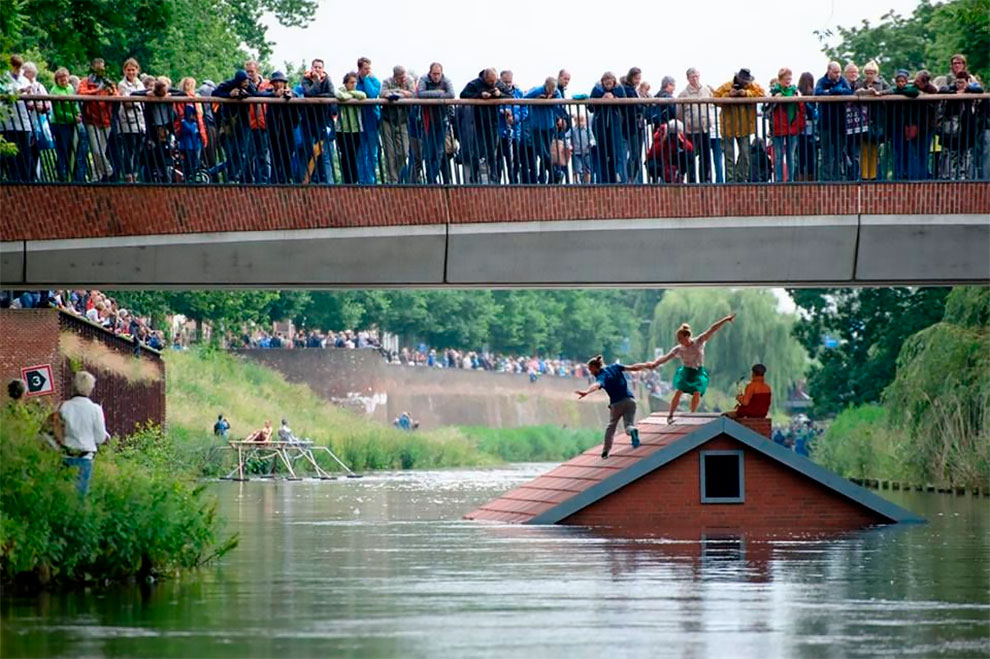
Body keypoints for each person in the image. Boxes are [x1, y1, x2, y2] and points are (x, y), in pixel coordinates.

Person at [652, 314, 736, 423]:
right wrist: (655, 363)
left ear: (687, 336)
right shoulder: (679, 349)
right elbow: (666, 357)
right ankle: (670, 415)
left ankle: (692, 414)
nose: (679, 341)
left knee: (697, 392)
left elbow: (712, 329)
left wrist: (726, 319)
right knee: (678, 392)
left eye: (681, 339)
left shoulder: (699, 341)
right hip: (686, 372)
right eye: (678, 339)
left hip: (698, 372)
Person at [575, 355, 655, 459]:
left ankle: (605, 451)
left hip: (617, 404)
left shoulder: (601, 376)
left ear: (595, 367)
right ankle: (632, 430)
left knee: (611, 426)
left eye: (591, 369)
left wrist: (587, 392)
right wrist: (647, 365)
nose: (590, 372)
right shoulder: (615, 366)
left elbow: (597, 385)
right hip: (630, 401)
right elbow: (634, 367)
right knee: (628, 425)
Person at [59, 371, 110, 495]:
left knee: (63, 495)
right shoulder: (95, 409)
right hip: (85, 458)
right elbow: (100, 438)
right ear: (90, 388)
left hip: (64, 457)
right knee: (80, 497)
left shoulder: (63, 406)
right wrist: (106, 437)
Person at [713, 69, 765, 183]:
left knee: (745, 155)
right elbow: (715, 98)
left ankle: (741, 177)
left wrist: (746, 93)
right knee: (729, 156)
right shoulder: (726, 86)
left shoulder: (752, 87)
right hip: (728, 127)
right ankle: (731, 179)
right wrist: (728, 95)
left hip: (745, 127)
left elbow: (762, 94)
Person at [460, 68, 508, 184]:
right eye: (491, 82)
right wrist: (479, 95)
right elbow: (463, 95)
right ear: (485, 78)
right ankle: (473, 176)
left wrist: (499, 94)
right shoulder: (475, 83)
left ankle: (494, 175)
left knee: (492, 150)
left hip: (494, 121)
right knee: (477, 150)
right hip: (479, 121)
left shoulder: (499, 84)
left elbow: (510, 96)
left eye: (494, 81)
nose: (493, 84)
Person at [77, 58, 118, 182]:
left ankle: (96, 177)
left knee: (100, 151)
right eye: (97, 66)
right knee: (96, 150)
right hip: (91, 119)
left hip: (105, 119)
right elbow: (81, 93)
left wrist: (110, 92)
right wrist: (97, 90)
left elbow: (116, 95)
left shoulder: (108, 81)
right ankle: (109, 171)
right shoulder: (86, 81)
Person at [938, 71, 984, 180]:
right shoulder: (952, 89)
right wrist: (955, 92)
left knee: (966, 152)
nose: (959, 85)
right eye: (958, 82)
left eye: (962, 82)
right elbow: (942, 90)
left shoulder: (971, 89)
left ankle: (964, 174)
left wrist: (966, 89)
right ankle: (951, 173)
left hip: (967, 125)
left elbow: (980, 90)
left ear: (967, 82)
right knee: (952, 151)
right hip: (953, 126)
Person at [416, 63, 455, 184]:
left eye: (438, 74)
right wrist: (439, 93)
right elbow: (420, 94)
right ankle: (430, 179)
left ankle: (431, 178)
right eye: (434, 74)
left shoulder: (446, 80)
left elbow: (452, 94)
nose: (436, 76)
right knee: (428, 152)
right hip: (427, 121)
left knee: (439, 152)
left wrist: (432, 95)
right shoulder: (423, 79)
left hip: (442, 121)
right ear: (430, 73)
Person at [814, 62, 853, 181]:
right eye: (835, 72)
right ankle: (826, 177)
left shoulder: (843, 80)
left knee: (839, 152)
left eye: (839, 72)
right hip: (825, 123)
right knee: (826, 153)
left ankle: (839, 176)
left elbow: (849, 92)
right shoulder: (821, 81)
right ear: (829, 71)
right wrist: (833, 91)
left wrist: (836, 91)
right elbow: (817, 92)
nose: (838, 75)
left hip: (840, 124)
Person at [300, 59, 335, 184]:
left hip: (323, 119)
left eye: (320, 67)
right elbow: (308, 93)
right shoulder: (305, 79)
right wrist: (315, 81)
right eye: (315, 67)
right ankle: (308, 179)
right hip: (308, 120)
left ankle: (324, 180)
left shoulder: (328, 79)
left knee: (322, 151)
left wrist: (317, 97)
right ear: (312, 68)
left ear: (323, 68)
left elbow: (331, 94)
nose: (317, 70)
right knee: (308, 150)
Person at [853, 61, 890, 181]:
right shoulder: (860, 83)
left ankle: (873, 176)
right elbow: (854, 93)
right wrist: (862, 92)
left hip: (877, 117)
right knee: (863, 148)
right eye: (868, 73)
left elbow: (891, 91)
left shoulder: (882, 82)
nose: (870, 75)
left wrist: (879, 93)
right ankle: (864, 176)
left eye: (872, 73)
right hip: (863, 118)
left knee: (874, 147)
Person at [677, 68, 714, 183]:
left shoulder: (707, 91)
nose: (695, 78)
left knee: (705, 156)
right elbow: (679, 113)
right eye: (693, 76)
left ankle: (705, 179)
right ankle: (692, 179)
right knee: (691, 157)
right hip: (690, 130)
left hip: (705, 128)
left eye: (697, 75)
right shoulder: (683, 94)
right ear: (688, 78)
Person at [589, 72, 627, 183]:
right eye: (606, 81)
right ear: (602, 82)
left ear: (614, 81)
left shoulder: (619, 89)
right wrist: (601, 99)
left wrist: (614, 98)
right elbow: (590, 107)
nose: (608, 83)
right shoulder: (596, 90)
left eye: (610, 81)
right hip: (600, 126)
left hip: (616, 126)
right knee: (602, 153)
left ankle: (619, 178)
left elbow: (625, 105)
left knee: (616, 153)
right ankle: (603, 180)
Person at [380, 65, 415, 184]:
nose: (403, 79)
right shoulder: (387, 81)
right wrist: (394, 93)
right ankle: (392, 180)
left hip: (403, 120)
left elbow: (413, 94)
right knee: (389, 152)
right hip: (387, 119)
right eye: (400, 77)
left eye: (404, 76)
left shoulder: (409, 80)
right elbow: (382, 93)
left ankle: (395, 173)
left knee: (404, 152)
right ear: (395, 77)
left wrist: (400, 92)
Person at [262, 71, 299, 184]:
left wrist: (290, 96)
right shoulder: (269, 93)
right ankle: (274, 180)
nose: (278, 84)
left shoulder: (292, 93)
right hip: (273, 131)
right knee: (274, 157)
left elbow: (297, 109)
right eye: (276, 82)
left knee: (287, 156)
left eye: (280, 81)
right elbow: (258, 94)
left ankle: (286, 180)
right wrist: (274, 95)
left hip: (287, 131)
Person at [768, 68, 804, 182]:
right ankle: (779, 180)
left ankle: (790, 179)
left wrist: (799, 99)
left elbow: (802, 107)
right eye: (785, 79)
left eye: (789, 78)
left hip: (792, 126)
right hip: (778, 127)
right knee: (778, 155)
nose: (788, 81)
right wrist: (774, 100)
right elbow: (765, 108)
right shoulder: (773, 92)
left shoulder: (795, 91)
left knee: (791, 155)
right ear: (780, 79)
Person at [117, 58, 146, 182]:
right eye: (128, 70)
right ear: (124, 71)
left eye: (133, 70)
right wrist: (137, 100)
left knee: (138, 149)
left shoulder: (140, 84)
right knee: (129, 149)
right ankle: (128, 174)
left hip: (140, 121)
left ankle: (135, 173)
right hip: (128, 121)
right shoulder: (122, 84)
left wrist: (135, 100)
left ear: (137, 70)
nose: (131, 72)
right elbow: (126, 102)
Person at [335, 72, 367, 184]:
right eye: (351, 82)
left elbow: (363, 95)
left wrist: (351, 94)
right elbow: (339, 95)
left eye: (355, 82)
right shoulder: (341, 90)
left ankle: (354, 180)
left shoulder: (358, 92)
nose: (354, 84)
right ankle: (347, 181)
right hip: (342, 130)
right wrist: (352, 95)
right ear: (346, 83)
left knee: (353, 155)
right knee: (345, 155)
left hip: (356, 129)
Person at [50, 67, 80, 182]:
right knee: (62, 148)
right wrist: (73, 118)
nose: (64, 81)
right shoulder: (55, 91)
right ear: (56, 80)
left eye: (65, 79)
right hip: (60, 123)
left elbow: (74, 105)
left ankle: (69, 173)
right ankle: (60, 173)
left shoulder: (70, 88)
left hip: (71, 123)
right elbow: (58, 112)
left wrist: (77, 114)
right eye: (61, 79)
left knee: (70, 148)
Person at [355, 57, 381, 184]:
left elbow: (372, 94)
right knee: (361, 152)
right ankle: (361, 179)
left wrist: (366, 80)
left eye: (369, 68)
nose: (368, 71)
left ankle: (370, 180)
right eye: (365, 69)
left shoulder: (373, 80)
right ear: (359, 69)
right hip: (358, 120)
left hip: (372, 119)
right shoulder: (353, 80)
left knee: (372, 151)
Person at [795, 72, 818, 181]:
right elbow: (813, 113)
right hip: (807, 129)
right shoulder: (804, 94)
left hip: (803, 129)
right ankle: (808, 179)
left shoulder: (802, 94)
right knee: (808, 157)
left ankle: (803, 179)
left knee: (802, 157)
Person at [567, 113, 595, 183]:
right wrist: (568, 145)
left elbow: (593, 139)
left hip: (586, 152)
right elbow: (565, 137)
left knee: (587, 170)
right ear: (575, 121)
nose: (580, 123)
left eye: (582, 121)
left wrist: (591, 143)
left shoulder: (587, 129)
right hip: (576, 152)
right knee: (576, 170)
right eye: (578, 121)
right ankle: (576, 183)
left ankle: (587, 184)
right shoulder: (573, 130)